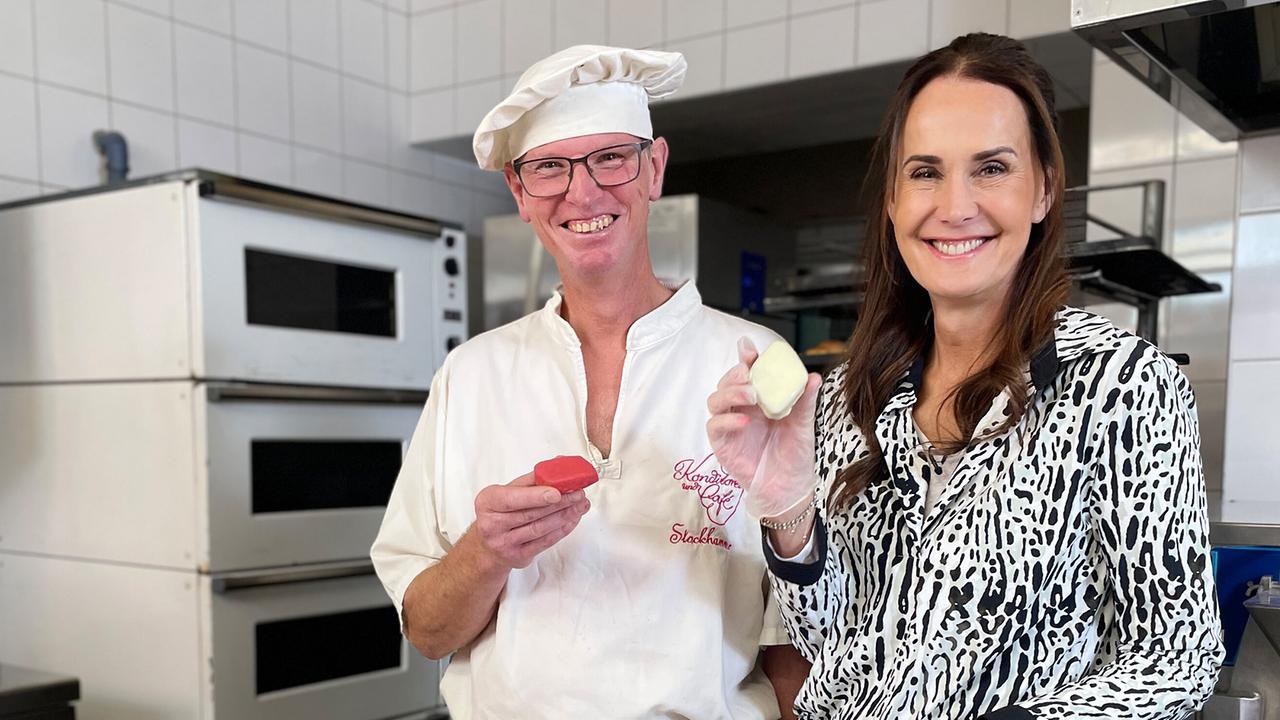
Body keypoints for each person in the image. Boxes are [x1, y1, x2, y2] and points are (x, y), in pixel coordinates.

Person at [707, 33, 1224, 719]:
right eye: (925, 171)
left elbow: (1177, 657)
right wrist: (787, 510)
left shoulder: (1121, 385)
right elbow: (828, 639)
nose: (954, 206)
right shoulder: (845, 397)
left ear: (1042, 189)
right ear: (892, 201)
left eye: (991, 168)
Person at [371, 45, 808, 719]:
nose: (583, 192)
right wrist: (485, 553)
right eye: (549, 167)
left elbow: (797, 639)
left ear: (654, 168)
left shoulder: (749, 362)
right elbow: (428, 632)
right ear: (519, 193)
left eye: (611, 157)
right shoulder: (472, 376)